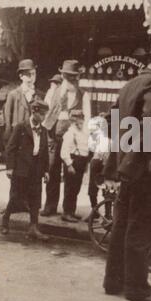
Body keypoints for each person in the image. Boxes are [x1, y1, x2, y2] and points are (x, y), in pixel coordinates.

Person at [102, 40, 151, 301]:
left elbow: (112, 125)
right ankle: (137, 288)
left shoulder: (129, 86)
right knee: (141, 227)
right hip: (143, 170)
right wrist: (140, 164)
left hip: (126, 166)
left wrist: (116, 167)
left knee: (121, 224)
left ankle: (113, 281)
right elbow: (150, 126)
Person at [0, 99, 50, 240]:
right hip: (21, 168)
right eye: (42, 114)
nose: (44, 117)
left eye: (45, 114)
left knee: (35, 199)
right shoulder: (21, 127)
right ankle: (5, 221)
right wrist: (9, 168)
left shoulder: (44, 131)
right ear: (34, 112)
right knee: (16, 196)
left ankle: (33, 227)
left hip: (36, 168)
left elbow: (44, 152)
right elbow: (11, 149)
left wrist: (46, 170)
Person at [41, 60, 82, 217]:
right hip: (53, 136)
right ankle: (50, 206)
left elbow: (85, 118)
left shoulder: (81, 94)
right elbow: (45, 112)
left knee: (71, 174)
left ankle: (69, 211)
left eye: (74, 77)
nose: (72, 80)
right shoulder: (53, 92)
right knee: (52, 170)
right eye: (69, 76)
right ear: (63, 75)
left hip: (72, 138)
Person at [60, 109, 89, 222]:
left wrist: (85, 164)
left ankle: (72, 211)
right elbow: (64, 151)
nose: (80, 121)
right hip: (72, 162)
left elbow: (85, 148)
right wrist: (69, 165)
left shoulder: (84, 132)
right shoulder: (70, 133)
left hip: (81, 162)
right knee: (69, 189)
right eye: (77, 119)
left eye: (81, 119)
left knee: (76, 189)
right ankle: (66, 213)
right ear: (73, 121)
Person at [4, 59, 41, 141]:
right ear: (21, 76)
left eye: (33, 74)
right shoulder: (13, 94)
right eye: (28, 75)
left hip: (34, 134)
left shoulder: (38, 95)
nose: (31, 78)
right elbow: (8, 117)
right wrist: (9, 134)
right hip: (18, 135)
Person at [87, 114, 111, 219]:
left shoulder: (113, 135)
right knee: (92, 189)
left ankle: (108, 214)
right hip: (96, 161)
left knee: (107, 189)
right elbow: (90, 148)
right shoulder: (95, 135)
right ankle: (94, 211)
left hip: (107, 164)